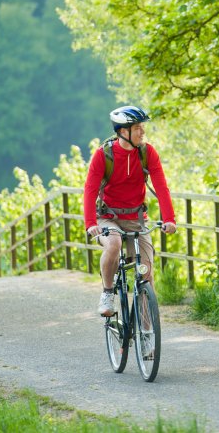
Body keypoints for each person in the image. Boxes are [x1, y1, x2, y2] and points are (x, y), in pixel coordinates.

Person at [84, 105, 177, 317]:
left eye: (142, 127)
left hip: (136, 218)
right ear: (123, 132)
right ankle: (108, 292)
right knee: (114, 244)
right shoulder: (103, 155)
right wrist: (91, 224)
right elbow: (89, 190)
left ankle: (147, 333)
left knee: (146, 272)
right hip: (108, 218)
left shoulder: (147, 153)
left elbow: (161, 187)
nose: (142, 131)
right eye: (137, 128)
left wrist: (169, 219)